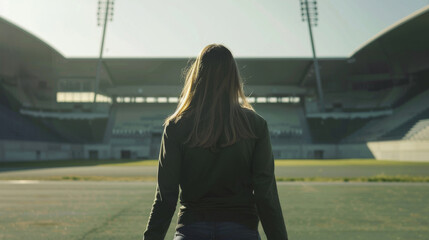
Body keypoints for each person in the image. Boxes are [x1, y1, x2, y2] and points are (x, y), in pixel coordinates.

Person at [143, 44, 288, 240]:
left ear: (197, 77)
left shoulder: (176, 126)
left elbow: (165, 197)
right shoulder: (256, 125)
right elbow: (265, 194)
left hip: (191, 228)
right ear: (234, 78)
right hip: (241, 228)